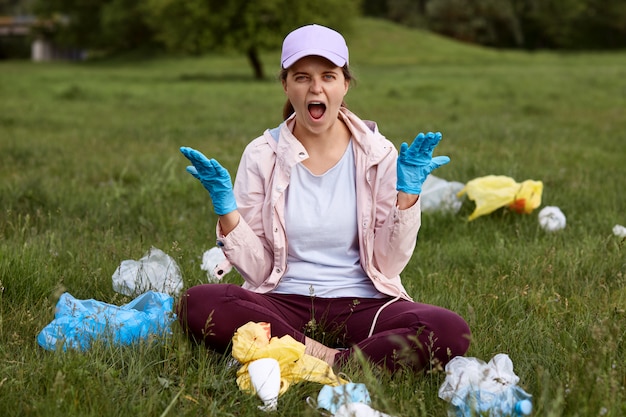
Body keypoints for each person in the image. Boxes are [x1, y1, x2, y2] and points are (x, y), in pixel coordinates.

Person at [178, 24, 470, 372]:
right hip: (282, 303)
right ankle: (347, 361)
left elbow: (388, 266)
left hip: (363, 305)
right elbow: (258, 272)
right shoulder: (261, 154)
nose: (316, 87)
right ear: (286, 85)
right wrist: (228, 212)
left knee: (451, 331)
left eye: (328, 76)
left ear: (344, 84)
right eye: (302, 77)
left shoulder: (379, 154)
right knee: (197, 303)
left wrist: (407, 196)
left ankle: (313, 357)